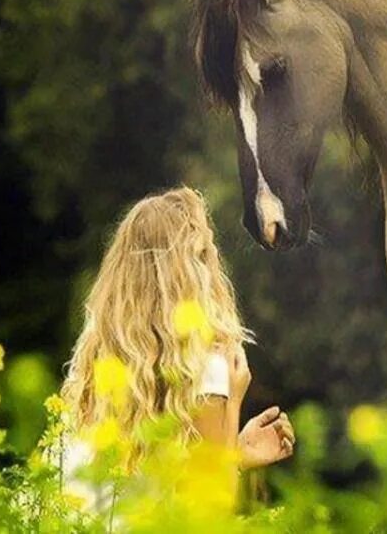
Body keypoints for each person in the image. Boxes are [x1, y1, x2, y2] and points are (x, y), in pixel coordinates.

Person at [58, 187, 294, 511]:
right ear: (193, 270)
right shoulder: (206, 365)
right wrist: (234, 400)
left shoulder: (97, 355)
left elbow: (145, 485)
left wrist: (234, 454)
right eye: (207, 253)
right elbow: (209, 512)